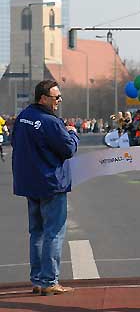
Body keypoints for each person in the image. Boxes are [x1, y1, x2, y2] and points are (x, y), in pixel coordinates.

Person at [11, 80, 79, 295]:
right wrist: (73, 133)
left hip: (29, 182)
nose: (59, 101)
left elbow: (15, 142)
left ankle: (38, 280)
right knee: (54, 232)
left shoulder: (23, 117)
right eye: (56, 97)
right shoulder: (50, 121)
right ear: (43, 98)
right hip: (50, 183)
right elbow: (68, 149)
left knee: (37, 232)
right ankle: (50, 281)